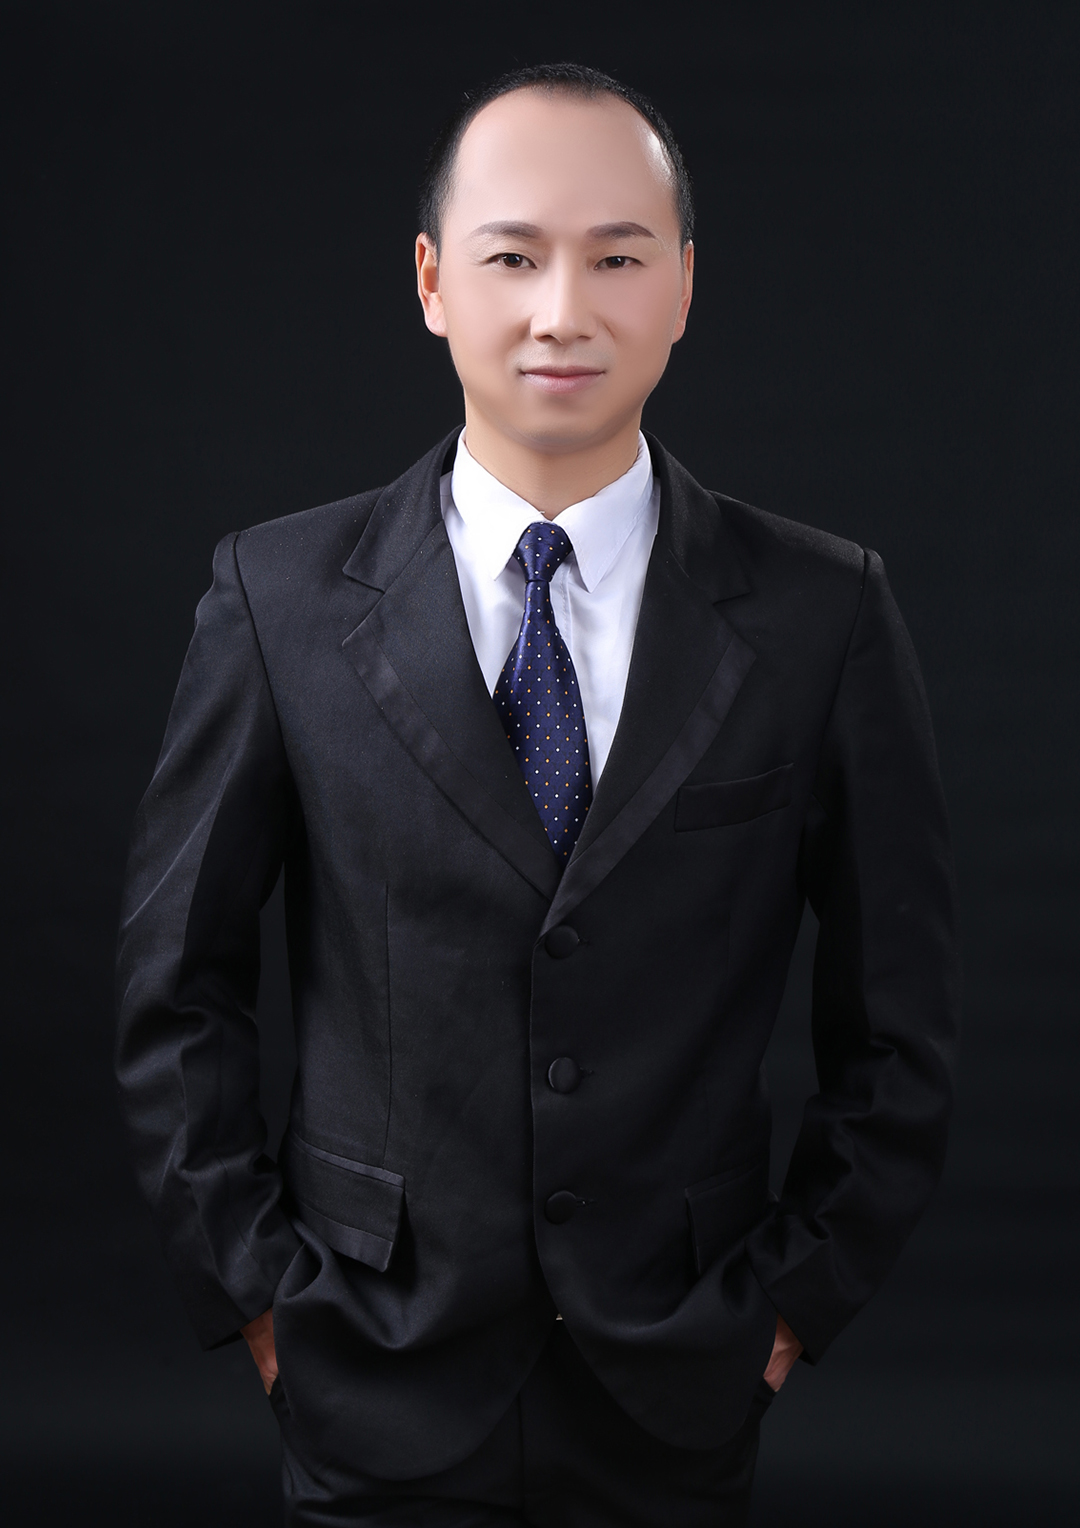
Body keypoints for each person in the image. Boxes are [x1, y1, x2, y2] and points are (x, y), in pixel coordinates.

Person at [115, 62, 960, 1527]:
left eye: (617, 258)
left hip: (680, 1368)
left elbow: (901, 1022)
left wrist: (789, 1305)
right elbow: (174, 989)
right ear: (433, 282)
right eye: (513, 257)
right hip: (371, 1358)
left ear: (684, 286)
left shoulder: (821, 613)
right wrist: (261, 1299)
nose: (564, 310)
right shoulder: (280, 599)